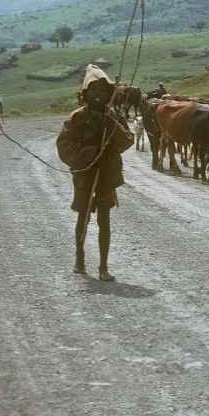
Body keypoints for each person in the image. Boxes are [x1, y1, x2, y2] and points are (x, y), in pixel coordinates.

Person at [56, 65, 134, 281]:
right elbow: (64, 147)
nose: (99, 95)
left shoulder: (113, 116)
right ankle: (79, 260)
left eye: (103, 91)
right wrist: (88, 155)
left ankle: (103, 267)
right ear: (85, 94)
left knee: (105, 220)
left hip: (107, 175)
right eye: (94, 91)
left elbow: (127, 141)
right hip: (85, 174)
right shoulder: (76, 118)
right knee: (83, 217)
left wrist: (111, 124)